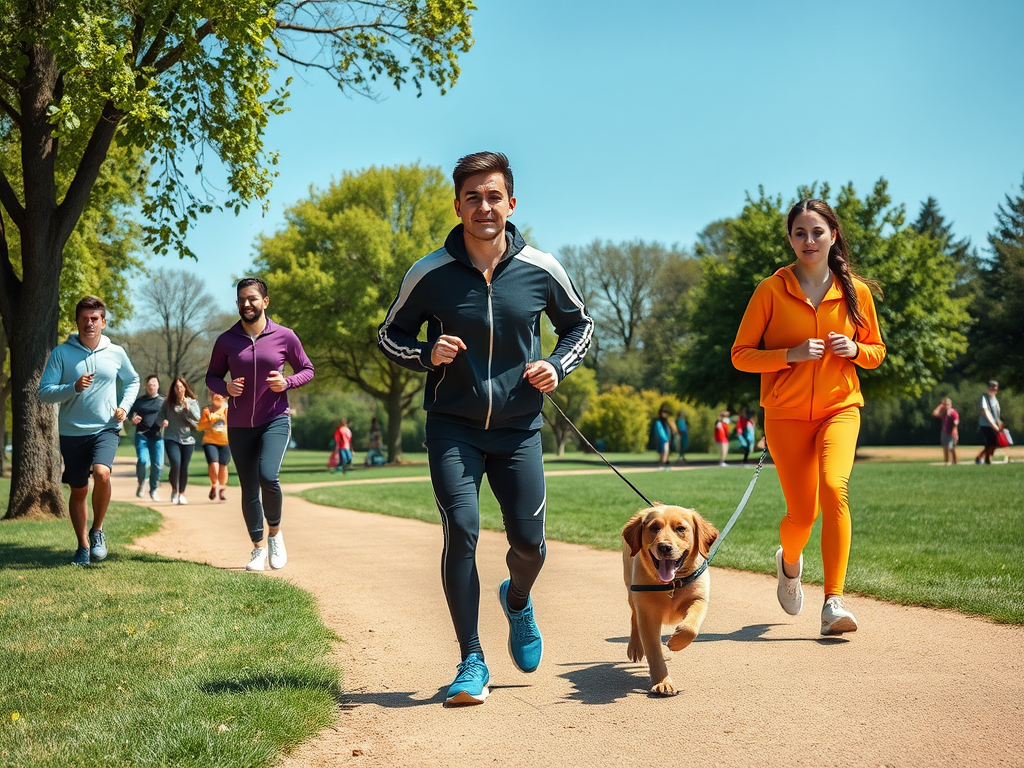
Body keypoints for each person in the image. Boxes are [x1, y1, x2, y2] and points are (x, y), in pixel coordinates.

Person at [378, 151, 593, 706]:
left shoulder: (542, 269)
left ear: (511, 203)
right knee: (463, 528)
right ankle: (471, 657)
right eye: (472, 197)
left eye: (493, 195)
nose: (483, 206)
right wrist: (428, 353)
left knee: (530, 544)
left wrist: (557, 365)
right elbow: (389, 336)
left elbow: (579, 326)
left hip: (520, 429)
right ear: (457, 205)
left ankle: (517, 599)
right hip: (454, 426)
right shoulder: (430, 273)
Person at [731, 198, 885, 636]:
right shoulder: (770, 290)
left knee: (835, 489)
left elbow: (876, 352)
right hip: (786, 415)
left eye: (817, 231)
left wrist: (855, 350)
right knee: (802, 515)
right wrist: (789, 355)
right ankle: (790, 561)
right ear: (790, 239)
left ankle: (833, 601)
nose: (809, 240)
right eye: (800, 233)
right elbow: (740, 356)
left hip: (841, 408)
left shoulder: (856, 291)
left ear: (833, 235)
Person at [206, 277, 315, 571]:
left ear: (265, 302)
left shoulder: (285, 336)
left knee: (268, 475)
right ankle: (257, 549)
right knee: (248, 486)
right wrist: (225, 388)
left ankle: (275, 535)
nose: (246, 304)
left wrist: (287, 382)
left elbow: (307, 369)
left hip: (274, 419)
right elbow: (212, 377)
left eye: (252, 298)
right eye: (241, 299)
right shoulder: (226, 340)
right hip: (240, 424)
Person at [38, 296, 140, 566]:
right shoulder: (62, 353)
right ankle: (82, 546)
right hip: (72, 432)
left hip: (106, 427)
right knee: (79, 490)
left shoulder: (116, 352)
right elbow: (44, 393)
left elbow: (133, 380)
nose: (89, 323)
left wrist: (124, 406)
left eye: (95, 318)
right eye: (84, 318)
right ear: (78, 322)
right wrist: (73, 387)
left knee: (102, 473)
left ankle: (98, 531)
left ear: (103, 322)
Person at [159, 376, 201, 505]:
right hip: (171, 438)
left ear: (185, 388)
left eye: (181, 387)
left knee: (184, 467)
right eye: (177, 387)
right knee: (175, 464)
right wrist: (163, 421)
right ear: (174, 389)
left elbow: (198, 418)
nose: (179, 389)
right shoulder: (168, 403)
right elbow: (160, 417)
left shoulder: (192, 402)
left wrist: (188, 408)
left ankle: (181, 494)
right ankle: (175, 489)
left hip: (188, 440)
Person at [127, 374, 165, 500]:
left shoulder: (163, 401)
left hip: (157, 437)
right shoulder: (140, 401)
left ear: (158, 385)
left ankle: (153, 490)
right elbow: (129, 412)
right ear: (146, 387)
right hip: (142, 436)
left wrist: (167, 421)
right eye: (149, 385)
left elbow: (170, 414)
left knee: (157, 464)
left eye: (154, 384)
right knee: (143, 461)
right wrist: (133, 417)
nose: (151, 386)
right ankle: (141, 482)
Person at [198, 392, 231, 500]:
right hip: (210, 441)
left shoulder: (227, 410)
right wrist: (207, 419)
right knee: (213, 464)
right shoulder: (207, 410)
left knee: (223, 466)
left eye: (220, 397)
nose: (218, 399)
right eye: (215, 397)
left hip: (225, 441)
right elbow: (200, 427)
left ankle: (222, 488)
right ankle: (214, 484)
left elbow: (232, 424)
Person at [974, 381, 1002, 465]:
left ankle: (982, 457)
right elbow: (985, 411)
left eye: (995, 387)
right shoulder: (984, 397)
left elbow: (996, 413)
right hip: (986, 424)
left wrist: (999, 422)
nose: (993, 388)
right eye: (991, 386)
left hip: (994, 425)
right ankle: (986, 459)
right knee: (991, 441)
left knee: (994, 442)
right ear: (988, 388)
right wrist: (993, 425)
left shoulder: (995, 399)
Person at [931, 397, 959, 465]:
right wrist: (940, 405)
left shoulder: (952, 412)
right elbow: (934, 413)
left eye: (947, 404)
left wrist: (954, 430)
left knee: (950, 447)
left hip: (951, 432)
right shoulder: (943, 413)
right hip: (944, 432)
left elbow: (956, 421)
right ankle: (948, 461)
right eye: (945, 404)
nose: (946, 405)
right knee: (946, 447)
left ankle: (952, 461)